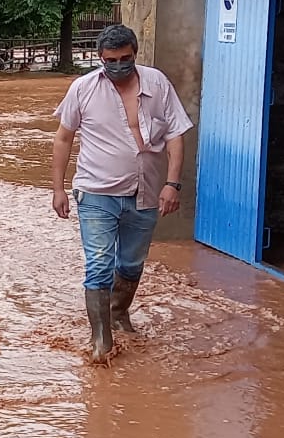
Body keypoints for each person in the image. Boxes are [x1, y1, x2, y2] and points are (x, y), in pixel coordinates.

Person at [51, 25, 193, 363]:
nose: (118, 65)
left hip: (146, 191)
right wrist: (57, 188)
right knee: (99, 263)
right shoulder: (83, 89)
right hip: (96, 191)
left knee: (130, 262)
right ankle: (101, 340)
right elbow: (63, 138)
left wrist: (172, 184)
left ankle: (117, 313)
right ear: (100, 58)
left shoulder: (158, 84)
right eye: (110, 60)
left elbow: (175, 134)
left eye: (125, 59)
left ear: (135, 53)